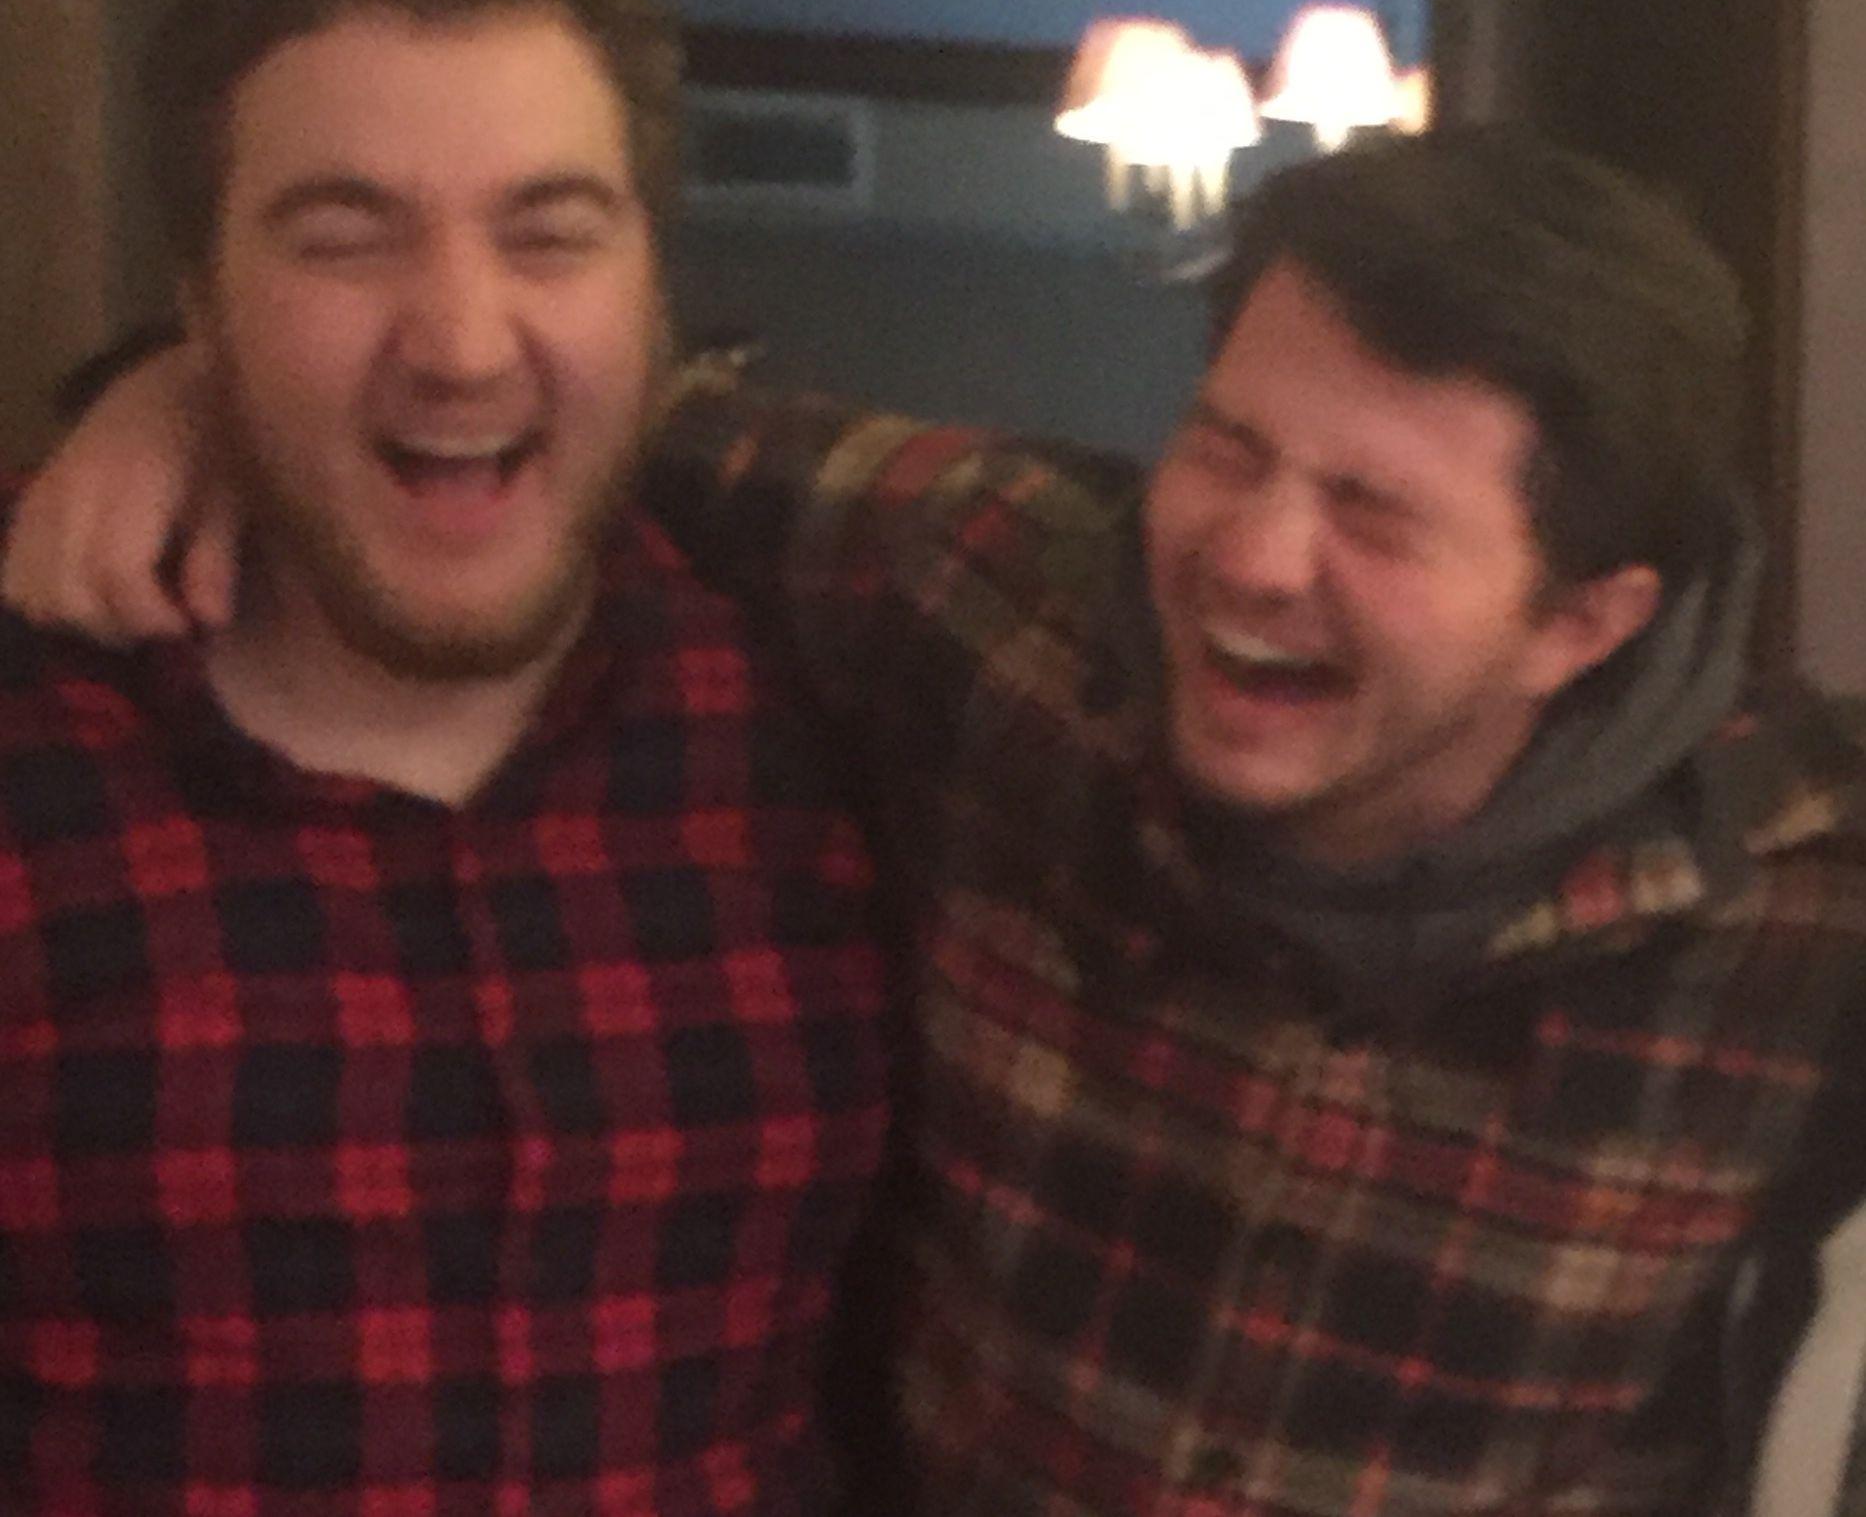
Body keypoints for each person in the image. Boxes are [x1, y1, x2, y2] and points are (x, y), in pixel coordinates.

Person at [16, 76, 1866, 1506]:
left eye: (1372, 513)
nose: (1249, 553)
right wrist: (188, 384)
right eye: (1226, 444)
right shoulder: (987, 597)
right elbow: (551, 410)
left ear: (1580, 620)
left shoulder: (1799, 905)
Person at [0, 0, 894, 1513]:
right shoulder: (37, 734)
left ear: (652, 291)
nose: (463, 341)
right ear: (201, 302)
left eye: (550, 236)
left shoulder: (838, 712)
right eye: (345, 242)